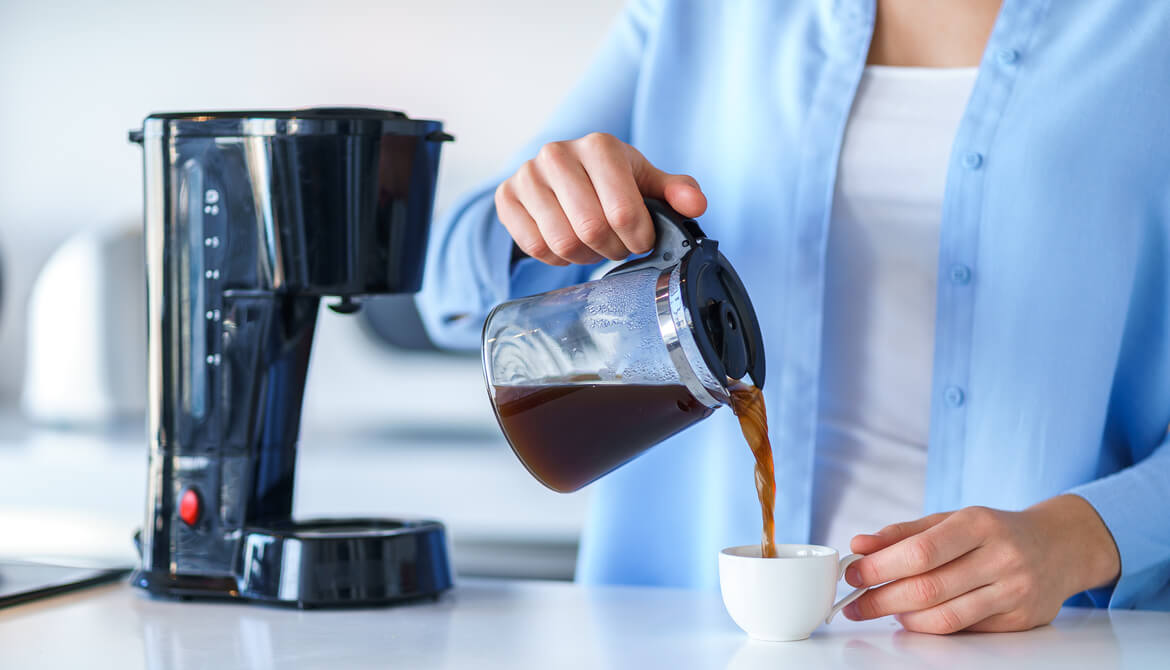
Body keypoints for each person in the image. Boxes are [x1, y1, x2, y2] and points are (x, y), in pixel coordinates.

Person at [415, 0, 1170, 633]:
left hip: (1030, 646)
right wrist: (540, 211)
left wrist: (1086, 536)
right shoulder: (700, 16)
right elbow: (447, 283)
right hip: (686, 638)